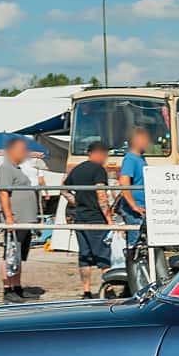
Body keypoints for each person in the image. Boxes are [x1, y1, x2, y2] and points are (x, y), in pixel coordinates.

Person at [61, 142, 115, 299]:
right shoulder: (98, 170)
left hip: (80, 218)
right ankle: (109, 288)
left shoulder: (77, 169)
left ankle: (86, 291)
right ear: (98, 153)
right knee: (103, 255)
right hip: (96, 218)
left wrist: (76, 202)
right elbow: (101, 194)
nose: (106, 157)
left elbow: (63, 189)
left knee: (84, 256)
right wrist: (109, 219)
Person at [0, 135, 39, 302]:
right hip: (16, 219)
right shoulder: (6, 169)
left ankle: (17, 287)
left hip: (25, 220)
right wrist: (9, 218)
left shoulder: (18, 169)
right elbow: (3, 193)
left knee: (19, 255)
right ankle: (8, 289)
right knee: (10, 254)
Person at [115, 126, 150, 251]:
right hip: (135, 210)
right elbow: (124, 181)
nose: (147, 142)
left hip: (142, 207)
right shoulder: (130, 159)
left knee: (142, 243)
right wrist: (133, 206)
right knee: (135, 244)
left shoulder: (141, 159)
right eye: (145, 139)